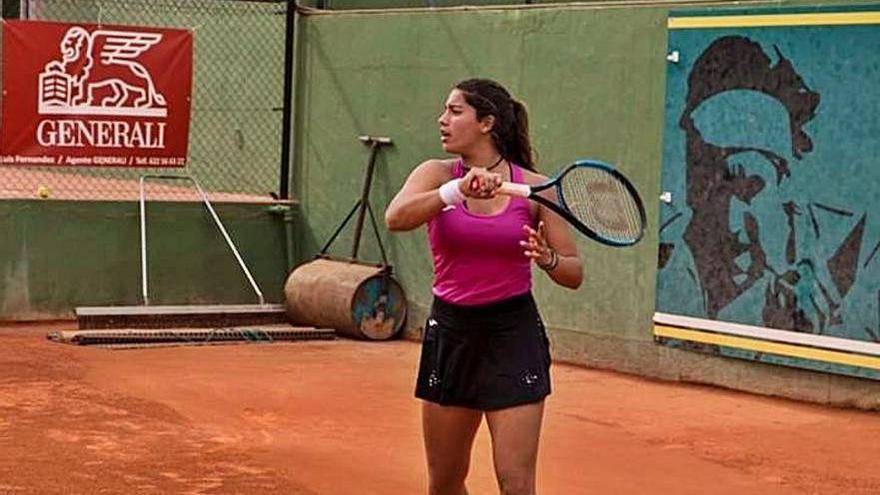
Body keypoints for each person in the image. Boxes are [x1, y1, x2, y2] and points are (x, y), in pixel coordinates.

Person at [385, 78, 582, 495]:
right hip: (451, 334)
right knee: (445, 483)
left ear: (487, 122)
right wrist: (454, 191)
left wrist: (547, 259)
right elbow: (396, 217)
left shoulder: (535, 188)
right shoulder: (434, 174)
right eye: (445, 110)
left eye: (456, 111)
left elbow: (573, 272)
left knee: (516, 482)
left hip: (513, 336)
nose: (443, 120)